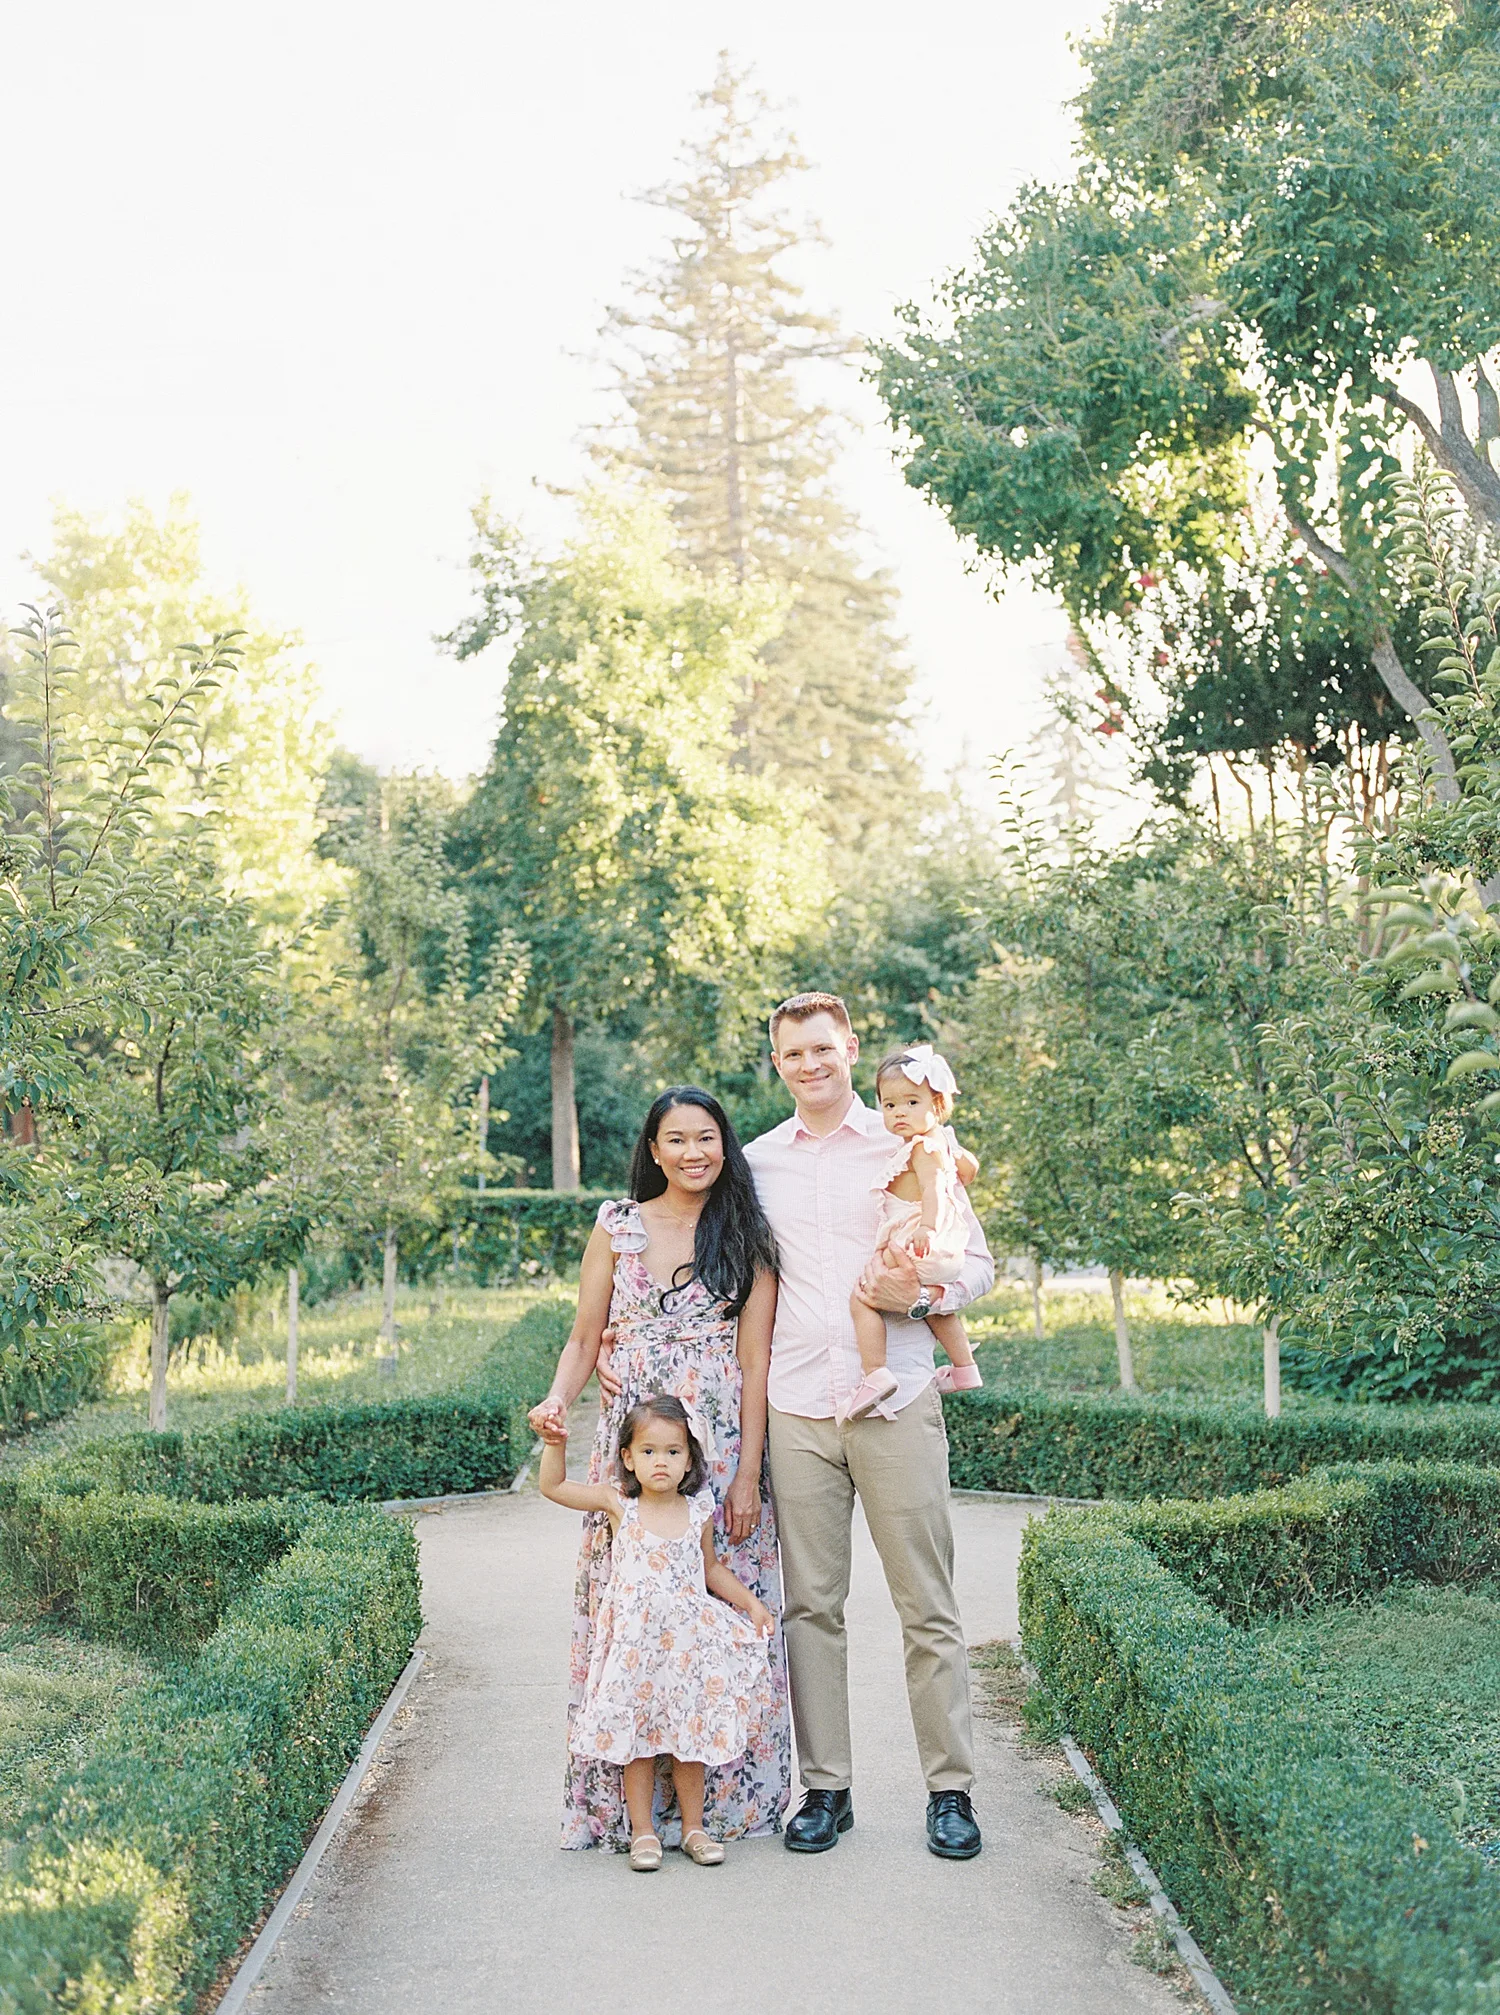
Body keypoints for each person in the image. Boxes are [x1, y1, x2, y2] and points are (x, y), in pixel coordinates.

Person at [743, 992, 993, 1861]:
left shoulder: (910, 1140)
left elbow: (978, 1262)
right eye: (791, 1054)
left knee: (927, 1604)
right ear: (776, 1063)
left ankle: (950, 1790)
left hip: (895, 1400)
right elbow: (721, 1277)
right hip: (798, 1405)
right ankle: (827, 1789)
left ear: (849, 1046)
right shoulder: (756, 1162)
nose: (809, 1065)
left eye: (822, 1048)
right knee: (811, 1606)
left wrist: (924, 1295)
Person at [528, 1086, 791, 1849]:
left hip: (719, 1445)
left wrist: (745, 1475)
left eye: (706, 1137)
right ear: (652, 1148)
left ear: (725, 1143)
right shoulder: (618, 1226)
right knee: (633, 1616)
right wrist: (557, 1398)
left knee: (715, 1617)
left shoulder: (747, 1234)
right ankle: (633, 1814)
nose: (692, 1152)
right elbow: (584, 1337)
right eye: (676, 1138)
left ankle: (721, 1807)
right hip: (636, 1441)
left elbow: (755, 1356)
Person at [536, 1392, 773, 1871]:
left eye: (672, 1452)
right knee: (636, 1741)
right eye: (647, 1451)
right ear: (627, 1457)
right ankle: (642, 1832)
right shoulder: (620, 1503)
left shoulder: (697, 1511)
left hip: (688, 1648)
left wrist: (750, 1602)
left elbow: (710, 1569)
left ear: (689, 1460)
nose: (660, 1462)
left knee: (691, 1739)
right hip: (635, 1649)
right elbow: (554, 1486)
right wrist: (553, 1441)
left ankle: (694, 1828)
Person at [845, 1045, 984, 1420]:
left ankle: (875, 1374)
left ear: (937, 1105)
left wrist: (926, 1227)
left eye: (910, 1102)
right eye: (889, 1106)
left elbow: (934, 1190)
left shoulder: (922, 1148)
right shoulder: (943, 1142)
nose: (899, 1113)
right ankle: (965, 1368)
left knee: (862, 1298)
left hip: (918, 1240)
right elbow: (970, 1168)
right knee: (934, 1310)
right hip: (942, 1250)